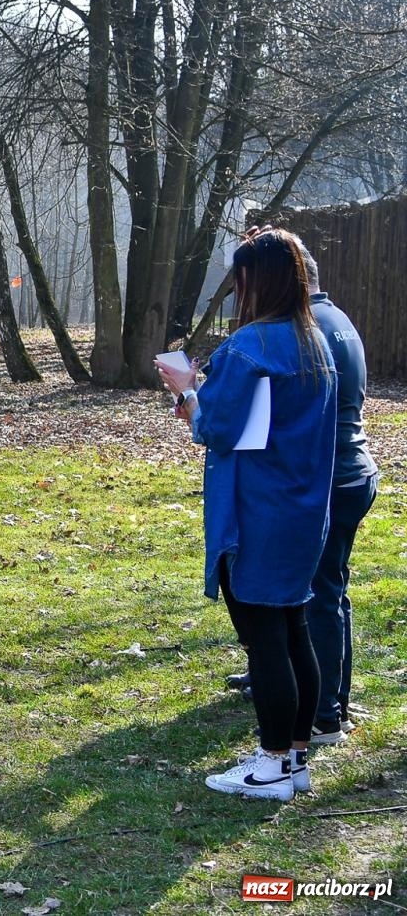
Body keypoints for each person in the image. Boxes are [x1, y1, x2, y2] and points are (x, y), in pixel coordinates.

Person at [156, 228, 337, 802]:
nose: (236, 291)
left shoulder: (250, 347)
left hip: (258, 512)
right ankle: (297, 758)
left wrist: (186, 391)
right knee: (293, 631)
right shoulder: (317, 345)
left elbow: (214, 428)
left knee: (265, 641)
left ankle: (272, 764)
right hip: (305, 509)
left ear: (258, 282)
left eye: (240, 280)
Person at [300, 243, 378, 744]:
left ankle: (325, 711)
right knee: (329, 588)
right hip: (354, 471)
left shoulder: (312, 328)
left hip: (334, 476)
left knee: (321, 593)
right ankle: (329, 693)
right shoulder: (338, 317)